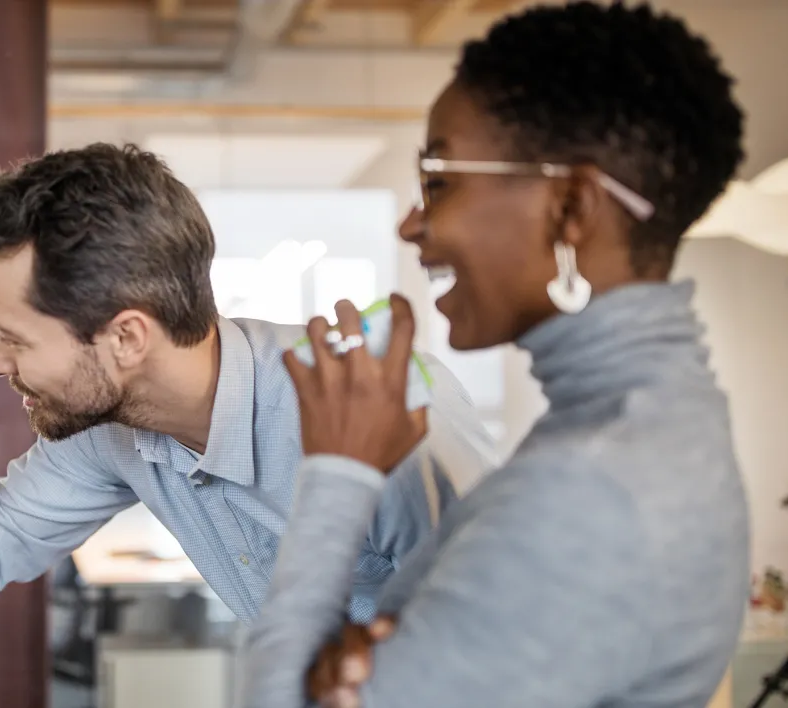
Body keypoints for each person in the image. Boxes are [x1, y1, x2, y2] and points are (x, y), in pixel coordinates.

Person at [237, 2, 750, 707]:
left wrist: (339, 470)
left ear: (571, 209)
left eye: (438, 182)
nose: (412, 224)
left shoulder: (589, 491)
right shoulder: (659, 421)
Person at [0, 143, 496, 626]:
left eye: (14, 337)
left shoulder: (383, 406)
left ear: (128, 338)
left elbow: (515, 636)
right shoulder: (110, 422)